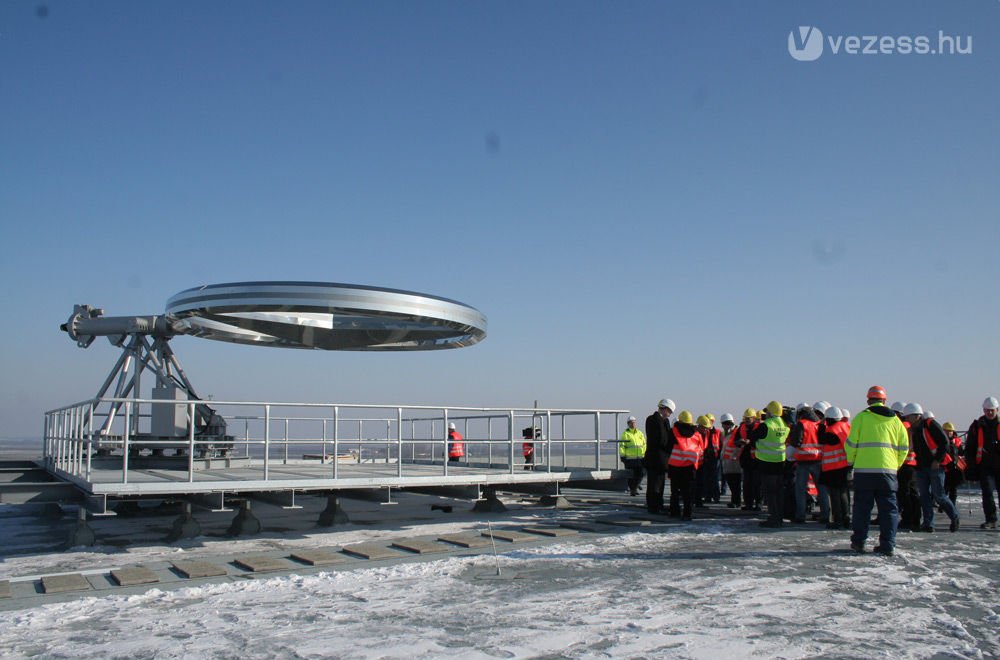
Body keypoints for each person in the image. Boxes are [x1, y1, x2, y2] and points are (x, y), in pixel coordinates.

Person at [846, 385, 909, 556]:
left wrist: (852, 461)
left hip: (864, 471)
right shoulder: (896, 421)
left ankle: (859, 542)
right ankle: (888, 544)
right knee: (889, 510)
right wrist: (895, 465)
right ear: (884, 400)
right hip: (887, 471)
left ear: (868, 400)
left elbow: (851, 443)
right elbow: (904, 447)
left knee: (862, 508)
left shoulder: (861, 418)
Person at [903, 403, 960, 533]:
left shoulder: (930, 425)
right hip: (921, 467)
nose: (907, 420)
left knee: (939, 495)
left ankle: (954, 517)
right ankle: (929, 523)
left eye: (908, 417)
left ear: (916, 416)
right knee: (924, 496)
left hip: (935, 467)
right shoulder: (913, 429)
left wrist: (937, 460)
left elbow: (944, 442)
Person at [749, 400, 790, 528]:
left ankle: (774, 518)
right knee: (778, 492)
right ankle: (779, 517)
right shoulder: (784, 424)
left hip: (767, 462)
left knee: (770, 492)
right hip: (781, 461)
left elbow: (753, 437)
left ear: (770, 413)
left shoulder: (766, 425)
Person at [789, 403, 828, 525]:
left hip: (803, 461)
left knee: (800, 489)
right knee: (822, 489)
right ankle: (825, 515)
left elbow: (796, 442)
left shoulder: (801, 424)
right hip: (818, 460)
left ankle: (800, 516)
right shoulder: (819, 425)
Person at [965, 396, 1000, 530]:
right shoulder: (977, 426)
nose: (989, 413)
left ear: (997, 410)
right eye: (987, 410)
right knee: (987, 493)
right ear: (983, 410)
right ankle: (991, 519)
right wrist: (971, 467)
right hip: (985, 466)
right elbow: (970, 448)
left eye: (992, 410)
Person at [818, 406, 851, 529]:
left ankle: (838, 519)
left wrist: (821, 425)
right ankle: (846, 517)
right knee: (843, 493)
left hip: (833, 467)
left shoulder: (832, 430)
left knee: (835, 494)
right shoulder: (846, 427)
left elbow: (821, 439)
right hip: (844, 465)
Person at [668, 411, 704, 520]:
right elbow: (701, 451)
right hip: (690, 467)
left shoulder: (673, 432)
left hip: (674, 466)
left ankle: (674, 512)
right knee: (688, 492)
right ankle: (687, 513)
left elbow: (667, 446)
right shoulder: (697, 434)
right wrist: (698, 465)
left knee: (675, 491)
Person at [644, 398, 675, 514]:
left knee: (660, 484)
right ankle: (653, 506)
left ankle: (659, 504)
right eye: (669, 412)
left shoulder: (665, 422)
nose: (669, 414)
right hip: (654, 458)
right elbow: (660, 438)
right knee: (654, 484)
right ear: (664, 409)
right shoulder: (652, 420)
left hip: (663, 459)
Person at [735, 408, 761, 511]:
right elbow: (735, 440)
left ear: (754, 418)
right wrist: (739, 442)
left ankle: (758, 503)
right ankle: (748, 504)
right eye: (745, 418)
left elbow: (761, 441)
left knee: (757, 484)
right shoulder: (741, 427)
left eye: (748, 418)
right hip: (746, 460)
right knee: (747, 484)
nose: (746, 420)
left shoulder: (759, 427)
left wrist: (750, 442)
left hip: (757, 460)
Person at [696, 414, 721, 506]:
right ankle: (706, 497)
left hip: (713, 459)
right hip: (702, 460)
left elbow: (719, 445)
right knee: (704, 479)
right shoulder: (702, 433)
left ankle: (715, 496)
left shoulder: (716, 432)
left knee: (713, 479)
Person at [619, 416, 647, 496]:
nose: (633, 423)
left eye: (634, 422)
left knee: (642, 473)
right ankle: (633, 490)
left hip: (640, 457)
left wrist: (645, 453)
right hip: (630, 459)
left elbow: (644, 444)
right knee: (631, 475)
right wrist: (623, 456)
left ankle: (636, 486)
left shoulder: (639, 433)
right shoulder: (625, 434)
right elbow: (622, 446)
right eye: (631, 422)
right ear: (628, 424)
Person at [720, 413, 742, 508]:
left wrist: (735, 455)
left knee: (735, 484)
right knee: (732, 484)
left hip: (734, 463)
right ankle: (735, 500)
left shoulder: (736, 432)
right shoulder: (726, 433)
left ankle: (736, 501)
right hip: (728, 463)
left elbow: (739, 446)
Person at [942, 422, 964, 506]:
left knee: (953, 489)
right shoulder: (941, 441)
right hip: (945, 468)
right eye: (946, 431)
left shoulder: (957, 442)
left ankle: (952, 505)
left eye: (950, 431)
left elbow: (961, 453)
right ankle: (943, 505)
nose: (948, 433)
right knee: (944, 489)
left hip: (955, 469)